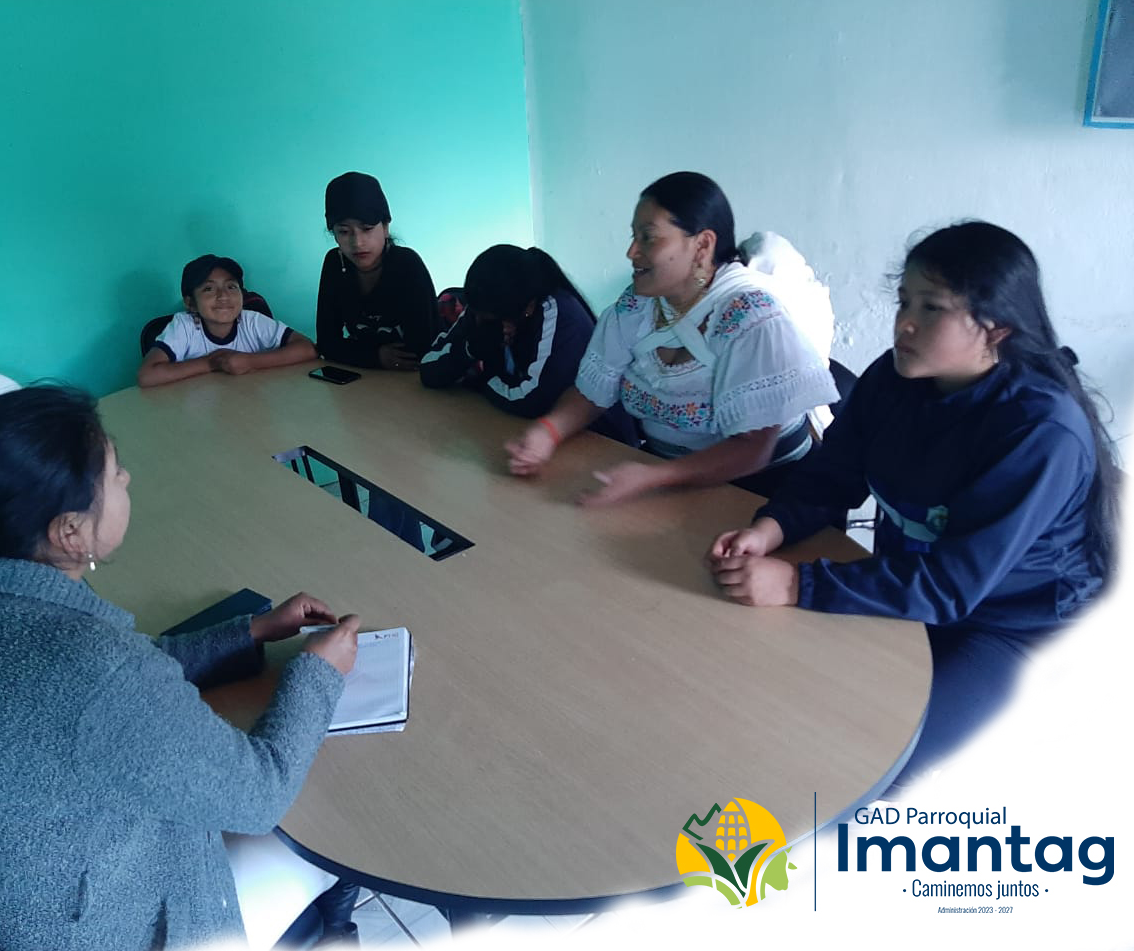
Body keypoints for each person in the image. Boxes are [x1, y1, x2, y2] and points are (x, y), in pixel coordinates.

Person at [0, 385, 362, 950]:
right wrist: (318, 671)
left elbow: (119, 678)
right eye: (115, 474)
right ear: (70, 531)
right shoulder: (92, 663)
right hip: (89, 933)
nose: (127, 479)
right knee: (337, 838)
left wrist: (250, 633)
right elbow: (260, 796)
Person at [707, 221, 1120, 783]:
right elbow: (832, 475)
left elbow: (951, 587)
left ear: (995, 328)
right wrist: (770, 529)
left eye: (932, 308)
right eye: (904, 301)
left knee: (867, 767)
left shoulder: (1039, 431)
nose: (904, 322)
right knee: (770, 694)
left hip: (1011, 627)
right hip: (909, 589)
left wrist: (797, 584)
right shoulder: (894, 378)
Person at [505, 171, 838, 505]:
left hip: (764, 493)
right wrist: (548, 431)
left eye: (648, 238)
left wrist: (656, 476)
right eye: (634, 236)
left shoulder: (752, 319)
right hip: (668, 482)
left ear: (702, 245)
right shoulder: (635, 308)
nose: (631, 251)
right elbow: (590, 394)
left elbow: (752, 449)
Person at [419, 244, 637, 442]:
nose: (479, 322)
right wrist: (470, 350)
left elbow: (532, 400)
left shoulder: (560, 314)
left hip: (599, 439)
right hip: (524, 431)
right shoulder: (484, 308)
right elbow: (429, 368)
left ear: (528, 309)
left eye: (495, 320)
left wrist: (483, 374)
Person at [315, 172, 438, 371]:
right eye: (344, 232)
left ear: (385, 227)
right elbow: (326, 343)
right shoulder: (334, 264)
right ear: (334, 235)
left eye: (367, 228)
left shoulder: (407, 264)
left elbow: (422, 348)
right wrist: (375, 356)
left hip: (414, 377)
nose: (357, 243)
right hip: (365, 378)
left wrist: (355, 353)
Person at [138, 254, 317, 387]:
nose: (223, 296)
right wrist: (210, 363)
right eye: (209, 289)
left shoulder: (251, 321)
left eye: (231, 286)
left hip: (247, 403)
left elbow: (308, 348)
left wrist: (250, 361)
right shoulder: (184, 326)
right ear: (191, 303)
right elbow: (146, 375)